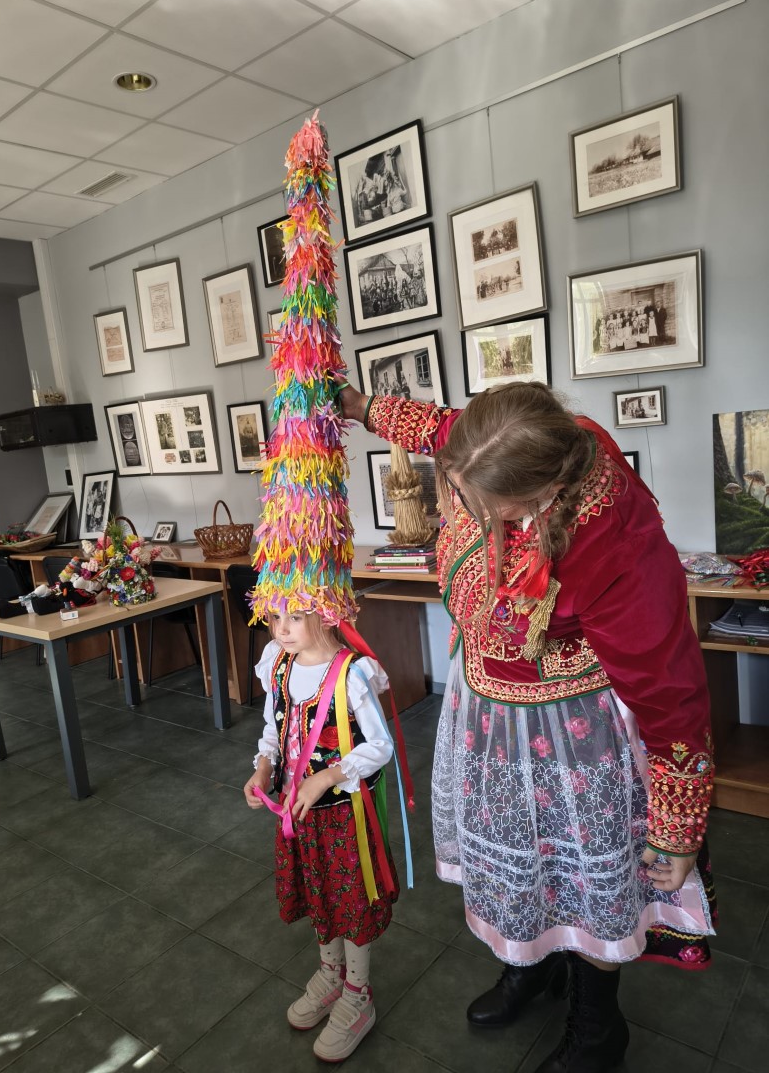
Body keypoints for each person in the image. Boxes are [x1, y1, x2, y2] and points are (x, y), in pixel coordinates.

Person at [338, 379, 715, 1073]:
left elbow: (670, 691)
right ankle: (530, 964)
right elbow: (447, 430)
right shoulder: (505, 442)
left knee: (581, 869)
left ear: (545, 491)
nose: (471, 512)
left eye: (491, 508)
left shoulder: (614, 544)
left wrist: (678, 826)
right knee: (512, 850)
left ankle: (597, 1026)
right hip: (487, 710)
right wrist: (364, 409)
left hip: (573, 727)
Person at [243, 609, 399, 1063]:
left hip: (343, 818)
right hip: (300, 817)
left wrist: (327, 777)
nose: (281, 629)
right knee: (318, 892)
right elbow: (274, 729)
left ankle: (357, 993)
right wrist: (264, 768)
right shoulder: (277, 663)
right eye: (275, 617)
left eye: (295, 617)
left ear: (328, 615)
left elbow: (380, 746)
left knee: (350, 901)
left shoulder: (352, 674)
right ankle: (331, 974)